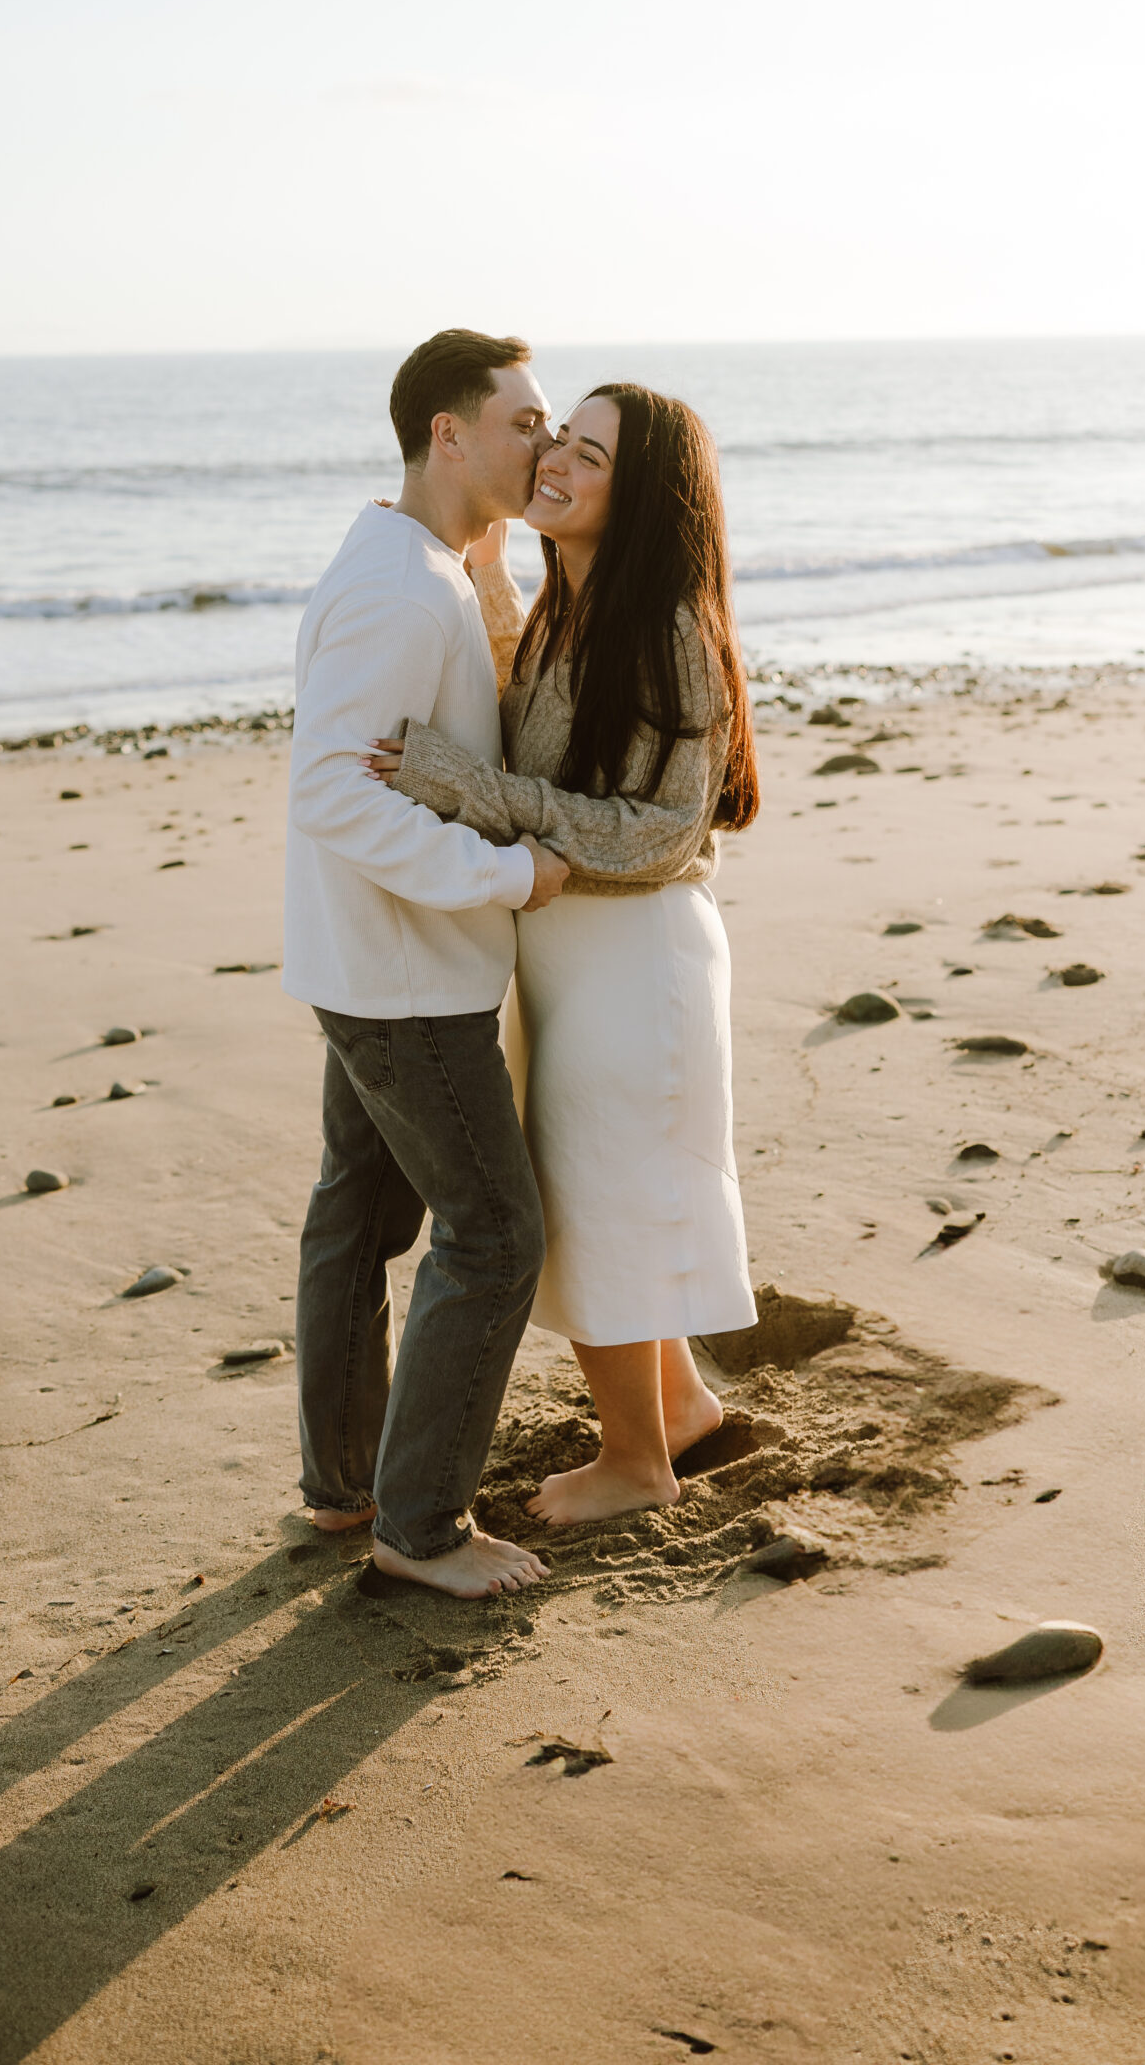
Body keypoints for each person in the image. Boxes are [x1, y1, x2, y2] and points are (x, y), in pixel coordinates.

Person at [366, 382, 761, 1526]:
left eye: (586, 454)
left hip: (637, 956)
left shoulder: (668, 624)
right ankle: (677, 1406)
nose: (555, 463)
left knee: (604, 1200)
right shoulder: (570, 604)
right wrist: (485, 570)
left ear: (638, 496)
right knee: (594, 1197)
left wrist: (465, 788)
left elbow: (666, 829)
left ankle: (638, 1463)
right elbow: (536, 718)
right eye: (555, 440)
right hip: (573, 957)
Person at [283, 326, 570, 1598]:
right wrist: (506, 876)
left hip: (368, 961)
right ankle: (423, 1527)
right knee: (497, 1233)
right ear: (446, 434)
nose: (547, 444)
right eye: (524, 421)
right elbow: (334, 791)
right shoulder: (400, 585)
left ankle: (349, 1488)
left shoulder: (424, 565)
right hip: (409, 977)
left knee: (362, 1218)